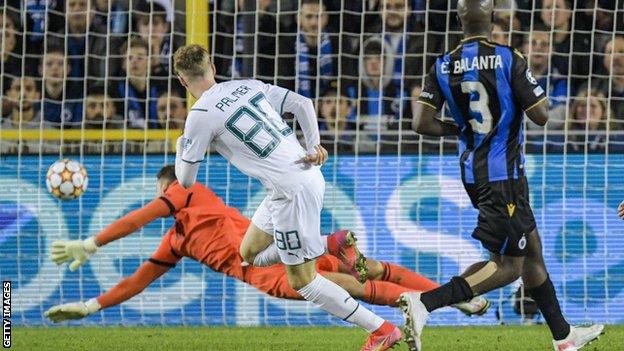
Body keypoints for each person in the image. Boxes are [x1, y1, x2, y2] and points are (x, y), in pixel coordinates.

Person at [44, 166, 489, 324]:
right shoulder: (176, 241)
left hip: (266, 264)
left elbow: (140, 216)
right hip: (283, 243)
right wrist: (90, 306)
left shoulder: (189, 191)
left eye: (167, 190)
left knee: (352, 287)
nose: (167, 195)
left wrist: (93, 242)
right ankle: (457, 300)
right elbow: (138, 281)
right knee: (367, 271)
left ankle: (407, 316)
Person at [172, 44, 401, 350]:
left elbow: (185, 181)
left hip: (289, 192)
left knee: (302, 281)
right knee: (249, 253)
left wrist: (181, 146)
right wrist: (314, 146)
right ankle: (327, 243)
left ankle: (381, 329)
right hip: (302, 175)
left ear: (183, 81)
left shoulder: (199, 116)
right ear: (212, 66)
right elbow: (303, 103)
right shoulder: (246, 85)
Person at [406, 1, 604, 351]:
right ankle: (426, 302)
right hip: (504, 175)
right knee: (509, 266)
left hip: (472, 171)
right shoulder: (508, 57)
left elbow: (420, 123)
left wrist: (460, 129)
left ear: (458, 19)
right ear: (494, 16)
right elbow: (541, 115)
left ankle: (564, 337)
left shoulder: (442, 65)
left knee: (533, 252)